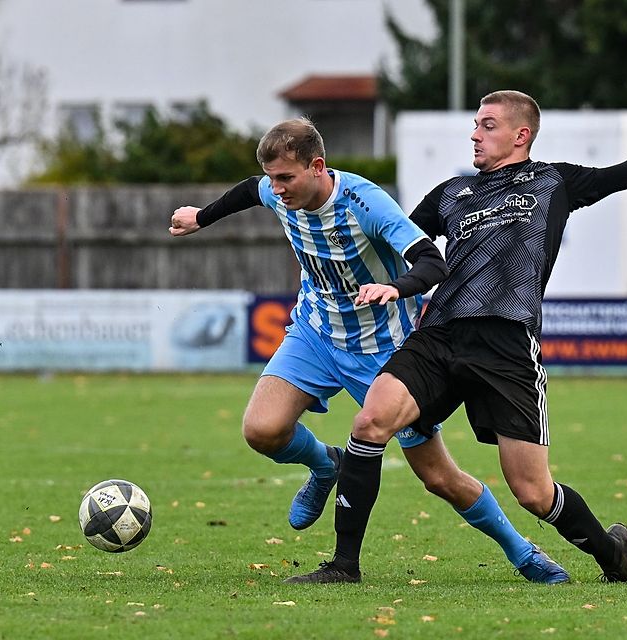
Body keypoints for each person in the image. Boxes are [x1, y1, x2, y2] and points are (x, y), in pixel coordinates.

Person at [289, 91, 627, 584]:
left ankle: (610, 551)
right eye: (475, 124)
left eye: (487, 125)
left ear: (521, 134)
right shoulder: (451, 193)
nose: (474, 133)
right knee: (370, 422)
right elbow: (386, 239)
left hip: (507, 344)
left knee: (533, 492)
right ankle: (344, 566)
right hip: (440, 333)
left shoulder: (556, 181)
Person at [169, 117, 569, 584]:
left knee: (439, 477)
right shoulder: (278, 191)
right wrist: (202, 216)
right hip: (316, 333)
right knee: (262, 430)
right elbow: (247, 190)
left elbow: (431, 261)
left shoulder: (367, 203)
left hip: (383, 352)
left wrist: (394, 289)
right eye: (272, 178)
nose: (276, 190)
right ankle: (326, 465)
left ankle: (522, 551)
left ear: (317, 166)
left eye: (285, 178)